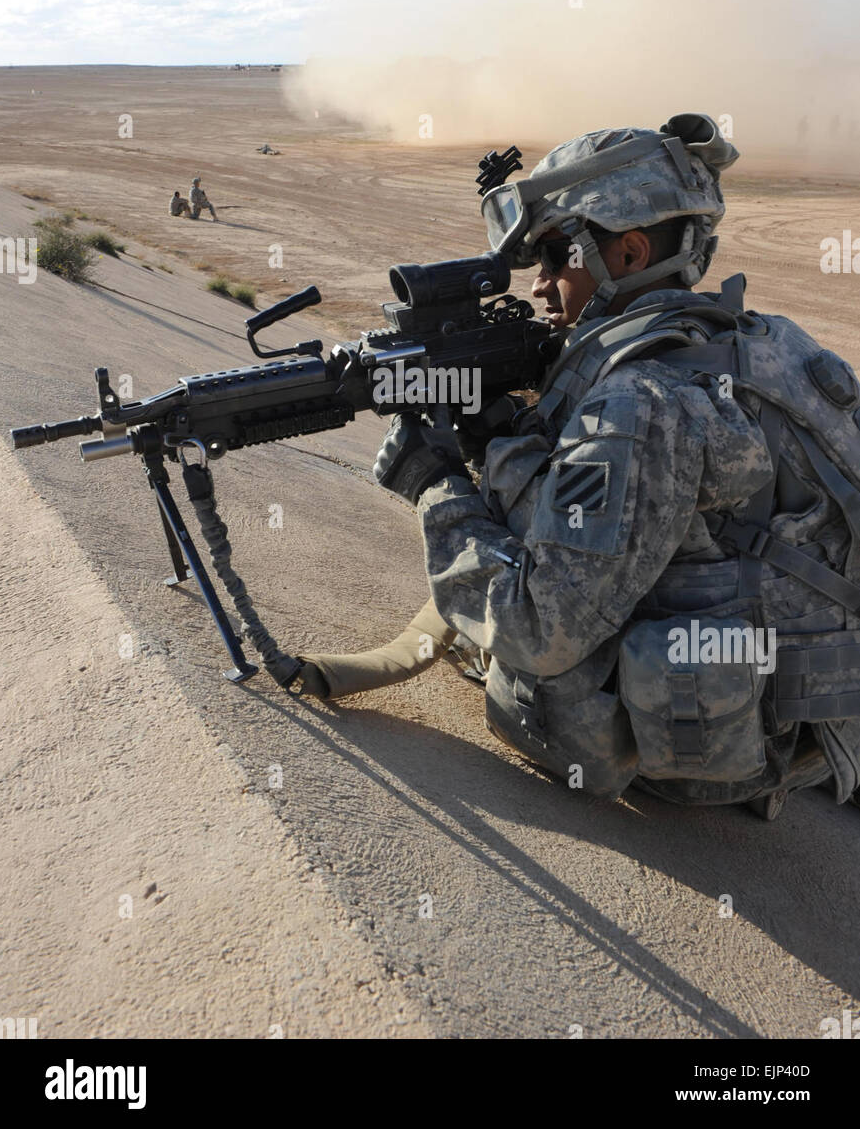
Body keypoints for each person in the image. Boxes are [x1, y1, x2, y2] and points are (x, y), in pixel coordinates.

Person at [293, 114, 860, 819]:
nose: (537, 284)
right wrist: (499, 434)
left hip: (726, 754)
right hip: (816, 711)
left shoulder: (639, 398)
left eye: (556, 255)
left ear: (624, 253)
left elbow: (538, 630)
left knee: (538, 682)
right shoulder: (769, 343)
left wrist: (434, 485)